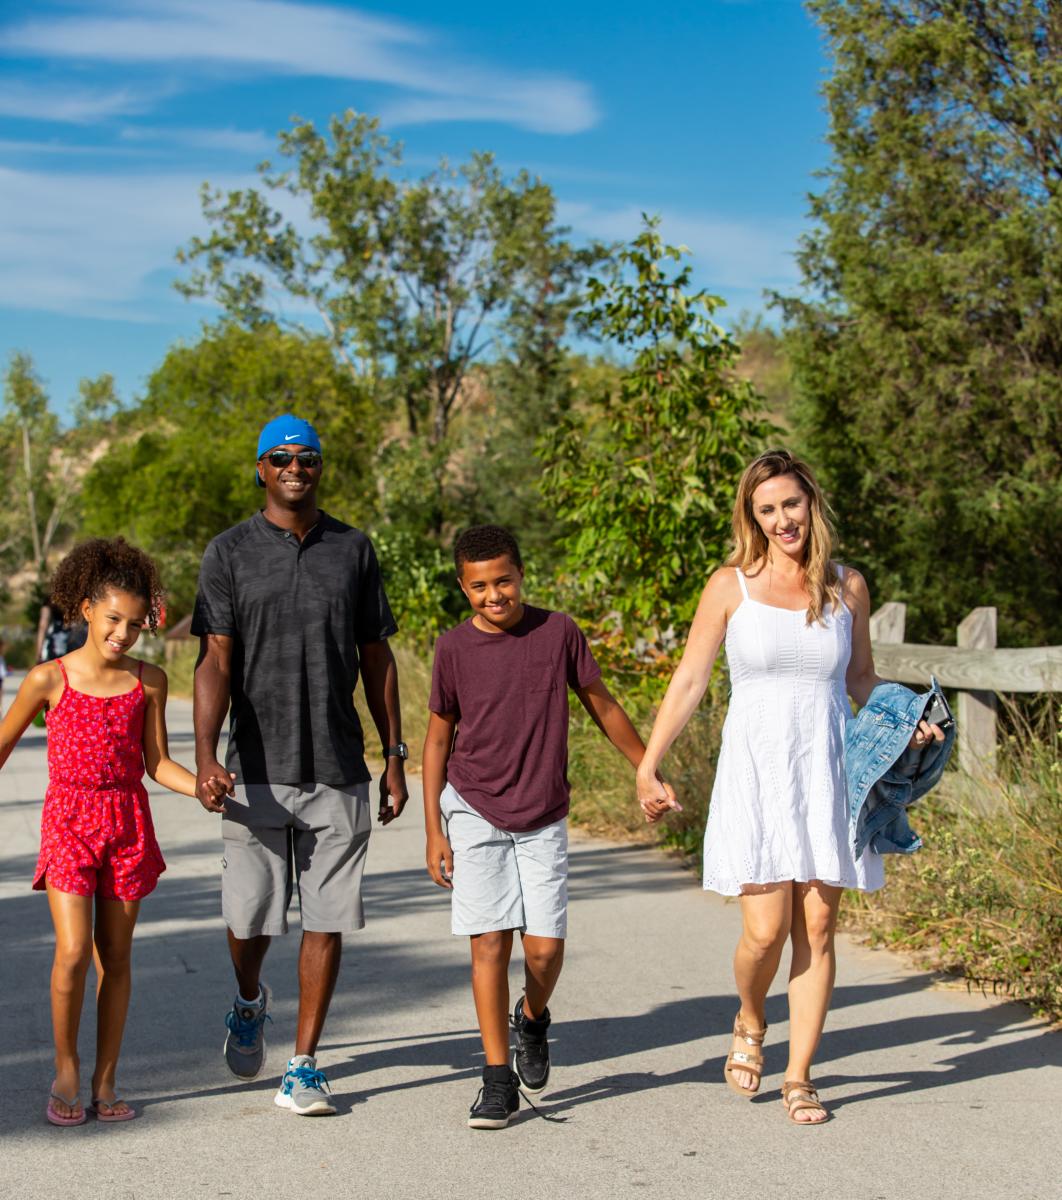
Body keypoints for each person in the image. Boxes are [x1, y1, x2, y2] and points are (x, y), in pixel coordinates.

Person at [635, 449, 943, 1126]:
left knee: (820, 922)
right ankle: (750, 1018)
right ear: (753, 516)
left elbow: (860, 679)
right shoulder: (730, 586)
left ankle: (800, 1077)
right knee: (765, 930)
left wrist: (907, 719)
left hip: (828, 769)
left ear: (812, 503)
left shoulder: (846, 587)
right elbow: (688, 679)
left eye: (791, 505)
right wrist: (649, 761)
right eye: (767, 509)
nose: (782, 520)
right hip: (757, 770)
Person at [422, 524, 676, 1130]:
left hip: (542, 814)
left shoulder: (557, 632)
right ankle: (494, 1080)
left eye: (503, 580)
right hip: (475, 806)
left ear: (522, 575)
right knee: (488, 942)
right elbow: (437, 738)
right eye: (479, 585)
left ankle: (532, 1017)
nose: (494, 595)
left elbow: (604, 705)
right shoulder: (452, 649)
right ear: (463, 586)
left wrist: (648, 769)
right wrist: (433, 827)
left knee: (544, 949)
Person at [192, 414, 408, 1118]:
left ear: (320, 468)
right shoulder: (227, 553)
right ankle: (250, 999)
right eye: (281, 457)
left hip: (339, 765)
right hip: (253, 767)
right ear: (260, 467)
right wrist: (202, 754)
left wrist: (394, 757)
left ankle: (306, 1063)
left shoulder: (354, 549)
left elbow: (377, 658)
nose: (295, 467)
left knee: (327, 916)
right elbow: (215, 660)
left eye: (307, 458)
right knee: (249, 919)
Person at [0, 537, 226, 1126]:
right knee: (73, 950)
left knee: (116, 958)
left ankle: (106, 1078)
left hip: (127, 824)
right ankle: (67, 1066)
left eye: (133, 623)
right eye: (112, 620)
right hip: (69, 821)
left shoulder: (148, 680)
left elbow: (158, 764)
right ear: (85, 610)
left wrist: (205, 787)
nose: (122, 634)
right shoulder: (48, 679)